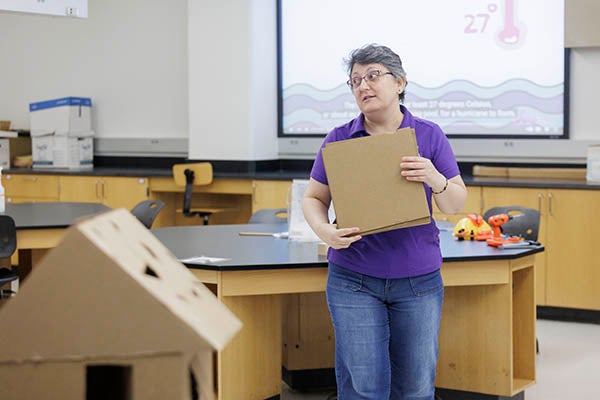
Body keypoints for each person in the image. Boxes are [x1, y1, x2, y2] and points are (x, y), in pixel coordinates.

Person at [302, 44, 468, 400]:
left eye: (373, 76)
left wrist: (435, 177)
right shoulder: (339, 139)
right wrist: (325, 231)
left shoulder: (428, 135)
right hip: (353, 281)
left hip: (418, 281)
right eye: (355, 80)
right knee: (364, 388)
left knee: (417, 387)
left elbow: (455, 202)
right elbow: (314, 198)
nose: (363, 86)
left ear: (400, 83)